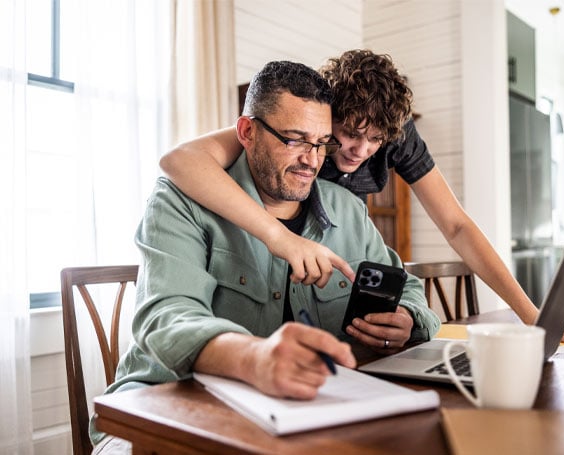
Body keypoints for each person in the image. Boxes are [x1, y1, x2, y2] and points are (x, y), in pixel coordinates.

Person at [160, 49, 564, 348]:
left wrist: (534, 317)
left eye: (376, 140)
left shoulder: (373, 168)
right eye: (344, 136)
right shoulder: (294, 134)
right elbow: (181, 160)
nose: (359, 152)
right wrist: (279, 238)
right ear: (327, 115)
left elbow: (457, 225)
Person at [90, 60, 441, 452]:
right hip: (156, 411)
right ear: (247, 132)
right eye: (294, 139)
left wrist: (409, 318)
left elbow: (406, 285)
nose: (312, 159)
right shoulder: (179, 200)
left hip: (296, 416)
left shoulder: (348, 209)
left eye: (322, 142)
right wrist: (255, 358)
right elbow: (167, 320)